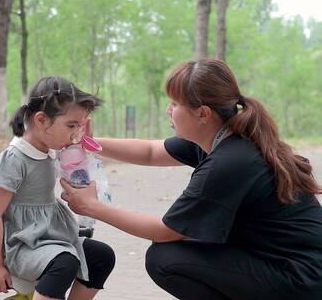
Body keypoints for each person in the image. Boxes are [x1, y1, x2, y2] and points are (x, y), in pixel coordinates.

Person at [60, 59, 322, 299]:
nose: (168, 110)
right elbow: (151, 152)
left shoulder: (230, 162)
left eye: (175, 104)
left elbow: (165, 231)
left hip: (301, 277)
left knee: (165, 258)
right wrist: (88, 143)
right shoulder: (222, 138)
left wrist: (92, 207)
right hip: (285, 261)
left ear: (203, 114)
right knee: (182, 246)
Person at [0, 76, 115, 300]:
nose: (75, 133)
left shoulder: (53, 151)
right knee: (65, 262)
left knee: (101, 256)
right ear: (42, 120)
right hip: (17, 245)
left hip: (49, 237)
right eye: (71, 125)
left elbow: (80, 173)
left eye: (80, 125)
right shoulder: (14, 159)